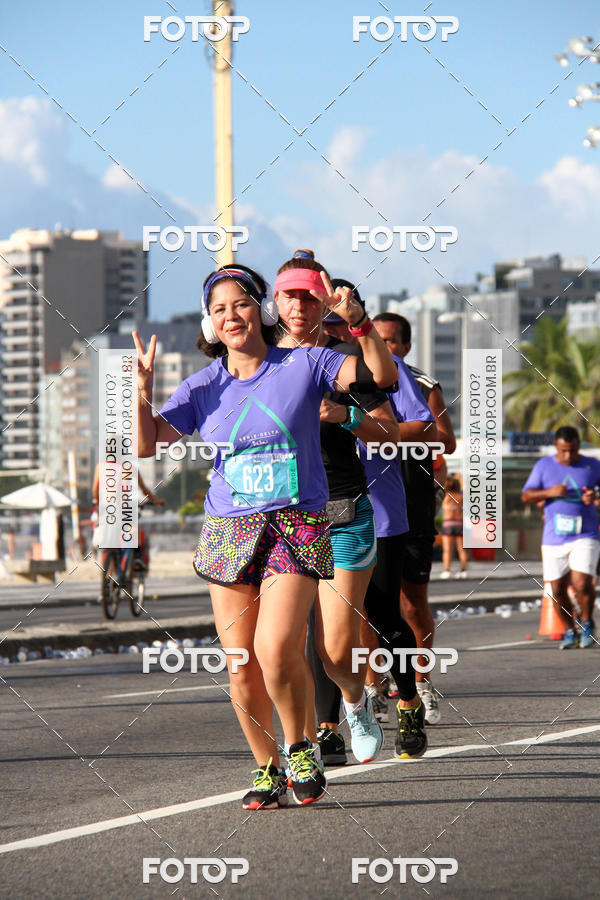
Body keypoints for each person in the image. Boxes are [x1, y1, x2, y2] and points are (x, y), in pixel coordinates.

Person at [136, 262, 398, 810]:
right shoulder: (203, 386)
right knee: (240, 664)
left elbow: (379, 379)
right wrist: (141, 395)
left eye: (240, 303)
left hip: (295, 524)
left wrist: (360, 325)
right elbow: (146, 443)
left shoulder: (305, 362)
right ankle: (266, 767)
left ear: (263, 308)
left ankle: (300, 746)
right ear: (210, 325)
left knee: (276, 647)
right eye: (218, 309)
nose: (231, 315)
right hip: (230, 529)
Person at [277, 262, 398, 767]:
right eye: (291, 296)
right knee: (281, 642)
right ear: (276, 303)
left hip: (341, 509)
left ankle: (355, 702)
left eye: (312, 296)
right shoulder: (258, 359)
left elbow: (387, 426)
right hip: (278, 517)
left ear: (326, 300)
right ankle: (299, 745)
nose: (301, 306)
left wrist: (344, 414)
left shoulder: (341, 359)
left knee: (334, 647)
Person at [327, 311, 436, 758]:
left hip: (381, 510)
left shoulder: (380, 371)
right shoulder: (292, 365)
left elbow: (421, 428)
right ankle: (328, 724)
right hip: (319, 512)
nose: (329, 331)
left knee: (384, 615)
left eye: (338, 323)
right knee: (324, 626)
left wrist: (354, 419)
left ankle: (408, 699)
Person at [371, 312, 457, 725]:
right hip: (371, 508)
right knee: (366, 605)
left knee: (412, 604)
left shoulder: (421, 384)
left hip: (414, 504)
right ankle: (373, 686)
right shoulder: (354, 379)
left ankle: (421, 681)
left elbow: (446, 438)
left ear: (404, 347)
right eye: (377, 339)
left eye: (391, 342)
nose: (384, 348)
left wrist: (394, 429)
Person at [522, 426, 600, 649]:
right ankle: (569, 629)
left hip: (586, 534)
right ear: (556, 446)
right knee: (555, 589)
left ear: (579, 446)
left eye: (573, 450)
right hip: (554, 538)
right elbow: (526, 495)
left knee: (581, 582)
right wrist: (549, 492)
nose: (569, 455)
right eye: (564, 450)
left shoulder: (592, 465)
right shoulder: (543, 466)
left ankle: (586, 622)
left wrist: (595, 496)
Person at [440, 475, 468, 578]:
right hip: (459, 523)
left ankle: (447, 571)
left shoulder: (445, 496)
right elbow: (465, 488)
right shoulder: (460, 497)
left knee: (447, 550)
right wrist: (460, 477)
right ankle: (464, 571)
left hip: (447, 524)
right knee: (461, 549)